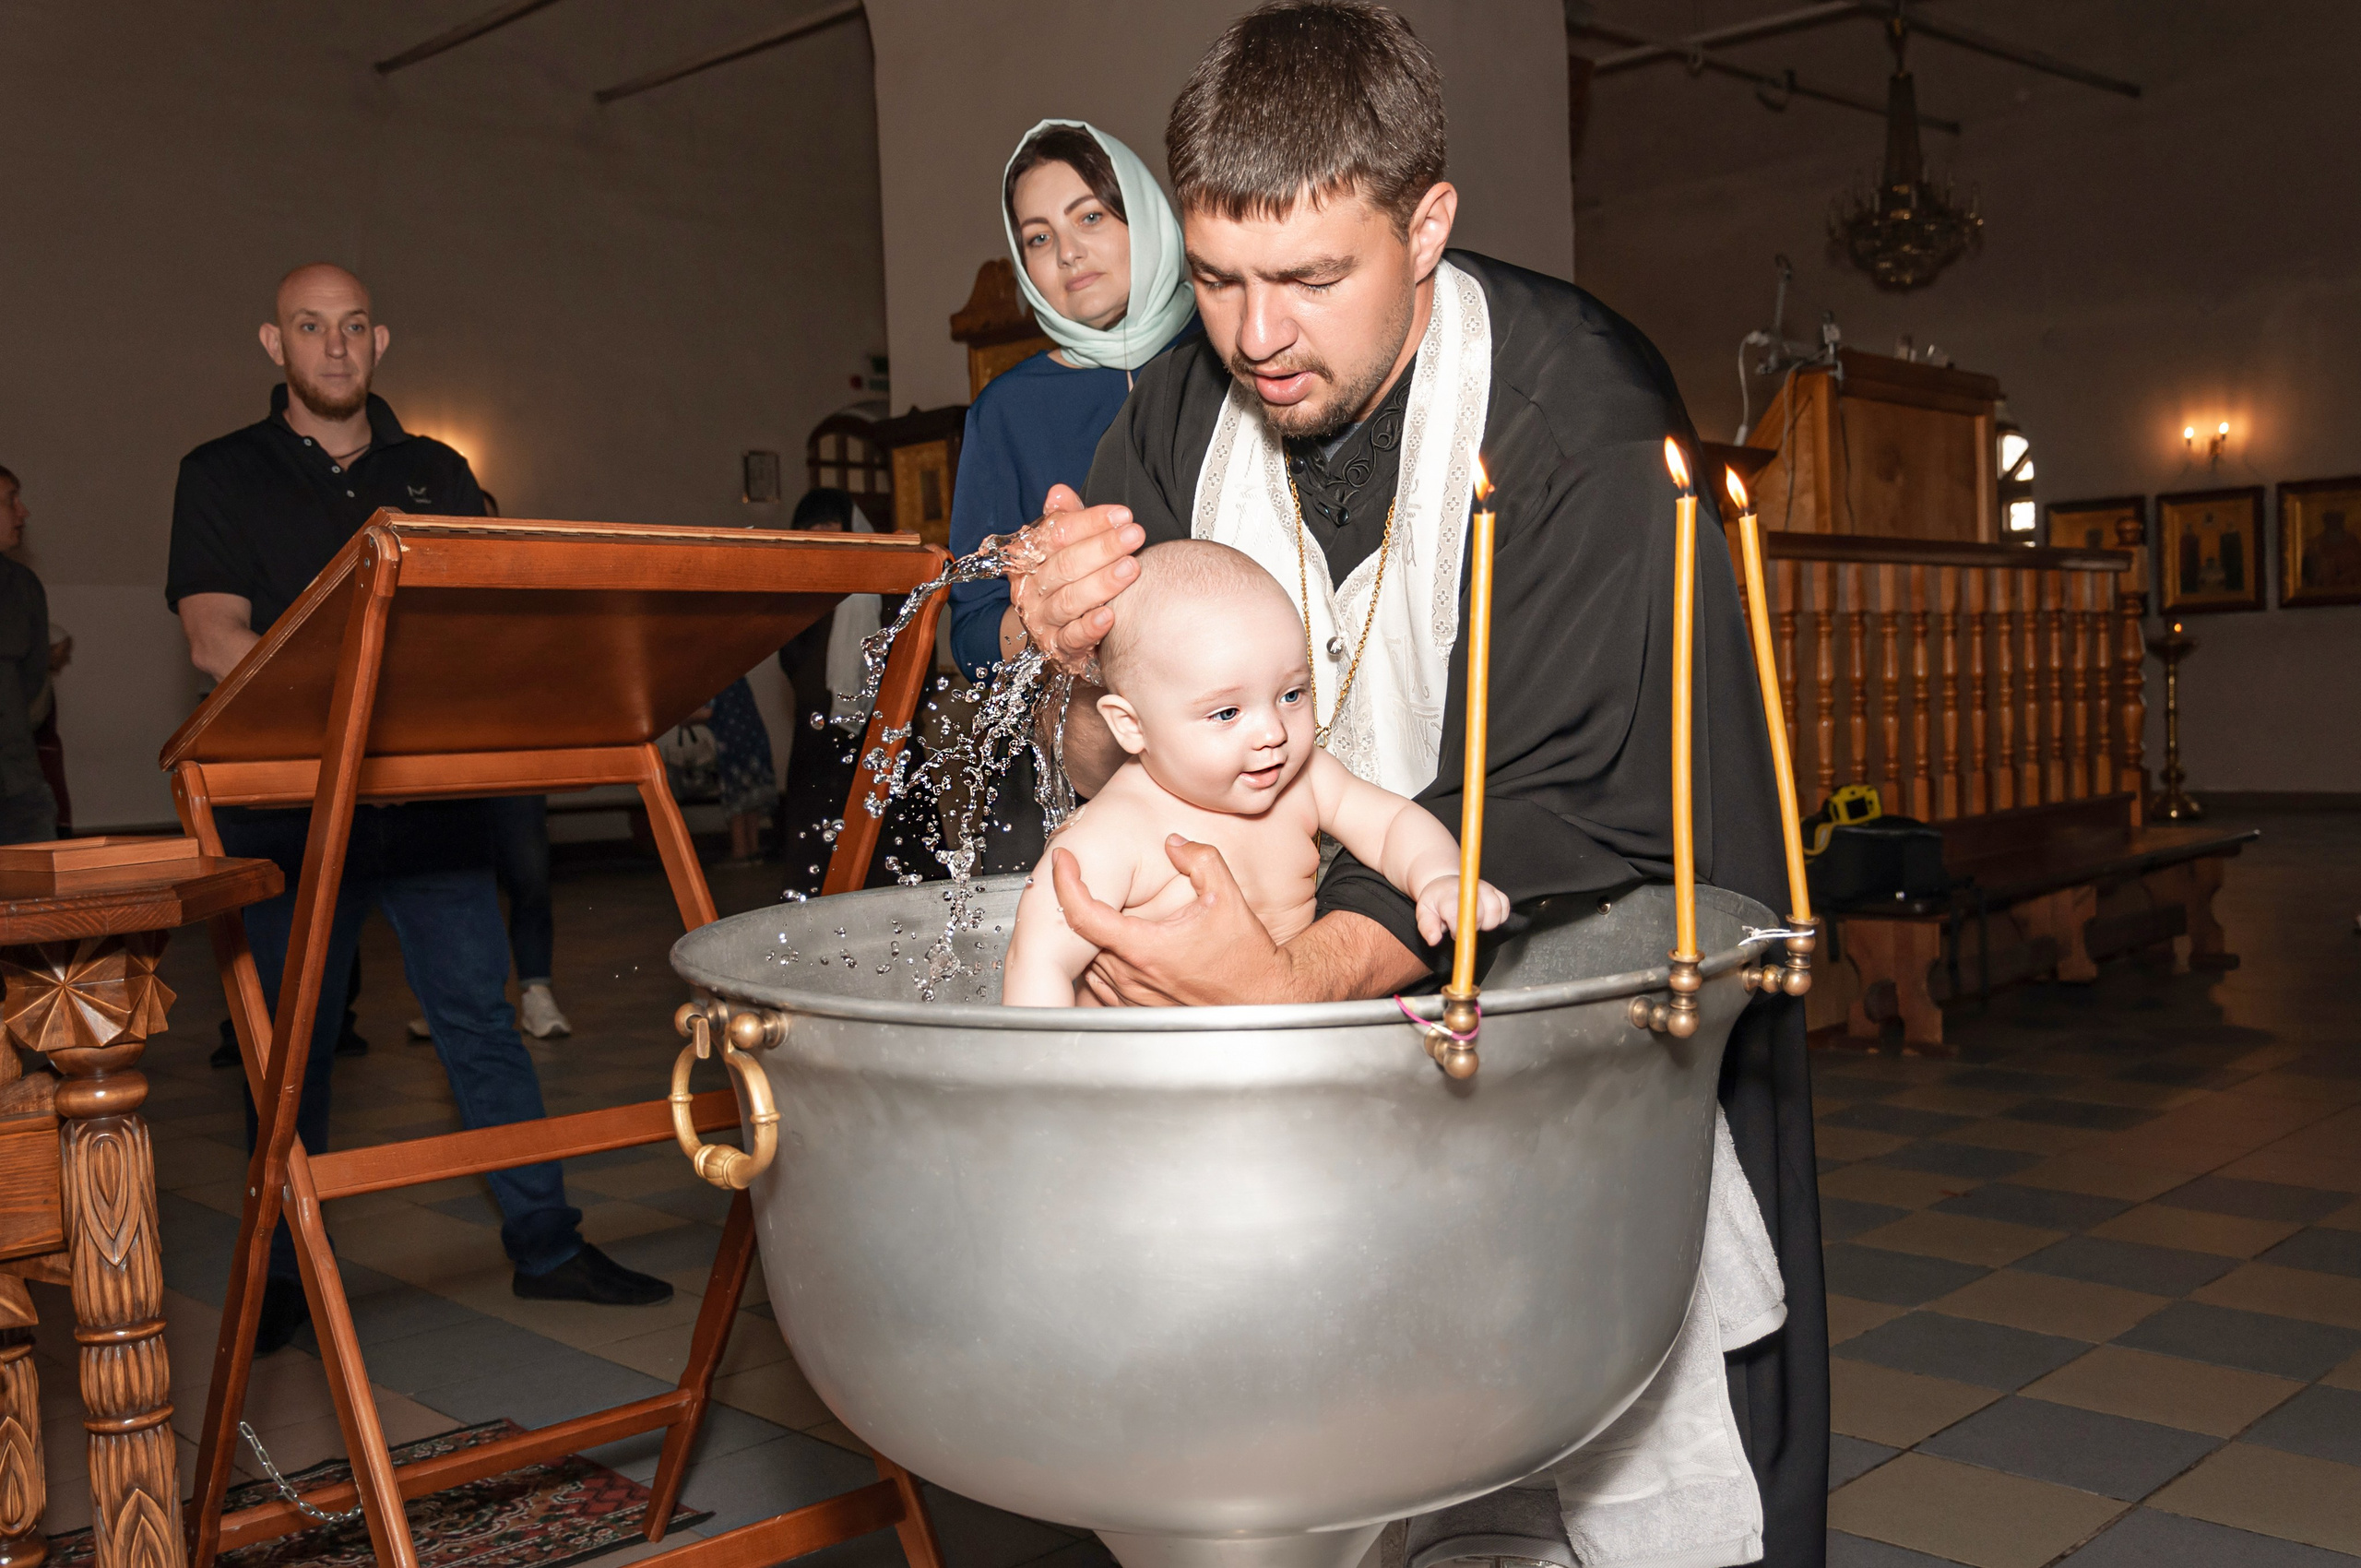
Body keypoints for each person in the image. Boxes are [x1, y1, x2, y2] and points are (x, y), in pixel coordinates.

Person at [1000, 6, 1828, 1562]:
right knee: (1321, 1457)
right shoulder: (1178, 406)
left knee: (1591, 1428)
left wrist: (1281, 977)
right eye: (1226, 278)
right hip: (1281, 1080)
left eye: (1314, 279)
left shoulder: (1577, 409)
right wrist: (1062, 663)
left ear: (1427, 224)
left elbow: (1563, 798)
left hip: (1570, 1004)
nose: (1256, 335)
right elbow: (1099, 747)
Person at [166, 263, 672, 1351]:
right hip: (291, 813)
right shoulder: (218, 473)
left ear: (379, 340)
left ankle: (546, 1245)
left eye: (353, 328)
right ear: (275, 342)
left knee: (483, 1026)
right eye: (311, 327)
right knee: (288, 1055)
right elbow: (214, 638)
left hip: (426, 807)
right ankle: (286, 1277)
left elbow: (475, 632)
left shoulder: (436, 471)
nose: (335, 347)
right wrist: (345, 723)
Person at [1003, 540, 1501, 1006]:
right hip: (1142, 1072)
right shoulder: (1111, 834)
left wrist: (1440, 877)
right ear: (1131, 726)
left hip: (1280, 1042)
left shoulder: (1304, 781)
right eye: (1227, 713)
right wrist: (1051, 1084)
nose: (1273, 733)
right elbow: (1037, 963)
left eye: (1291, 695)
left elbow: (1394, 825)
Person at [946, 120, 1199, 871]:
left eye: (1091, 215)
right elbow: (969, 632)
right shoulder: (1007, 411)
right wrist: (1040, 613)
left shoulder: (1233, 358)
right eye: (1037, 237)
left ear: (1145, 215)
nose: (1067, 252)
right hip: (1084, 762)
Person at [0, 467, 57, 845]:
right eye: (10, 501)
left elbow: (34, 686)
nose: (23, 512)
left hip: (17, 788)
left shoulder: (22, 587)